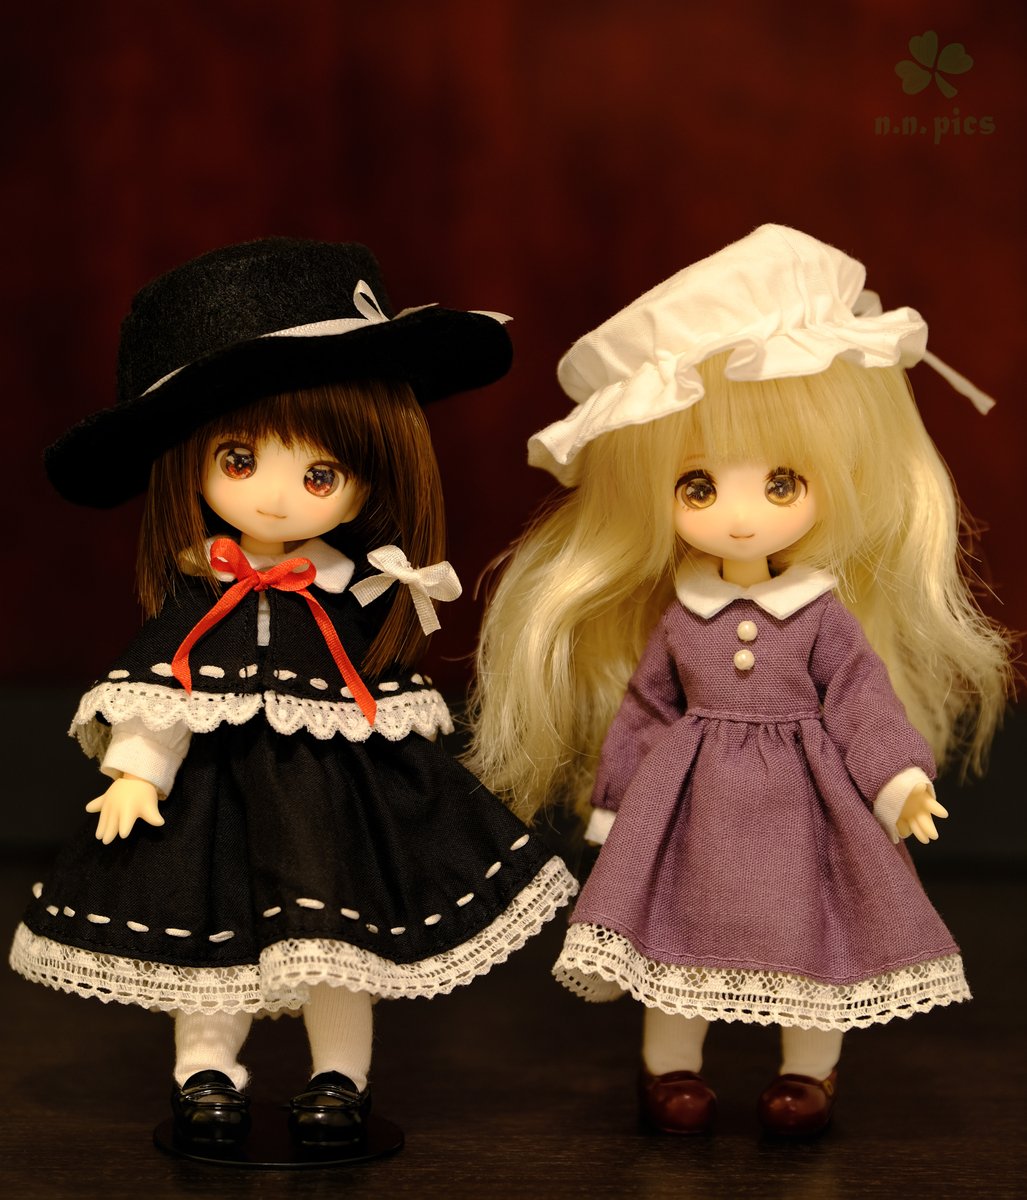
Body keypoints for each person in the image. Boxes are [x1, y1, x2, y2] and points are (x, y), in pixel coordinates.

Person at [11, 237, 576, 1152]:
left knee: (339, 949)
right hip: (214, 805)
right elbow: (168, 688)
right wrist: (137, 772)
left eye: (320, 476)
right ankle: (204, 1075)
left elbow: (383, 708)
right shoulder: (202, 592)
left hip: (330, 808)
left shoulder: (359, 589)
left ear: (369, 478)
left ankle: (338, 1079)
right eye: (239, 461)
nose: (278, 500)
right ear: (190, 462)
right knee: (205, 946)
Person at [466, 225, 1012, 1136]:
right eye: (698, 487)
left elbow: (859, 697)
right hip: (694, 803)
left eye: (782, 482)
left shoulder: (821, 615)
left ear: (839, 477)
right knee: (676, 939)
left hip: (804, 801)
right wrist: (616, 804)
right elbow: (647, 705)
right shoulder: (683, 613)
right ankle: (670, 1069)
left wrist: (899, 779)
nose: (741, 514)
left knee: (817, 939)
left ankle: (807, 1074)